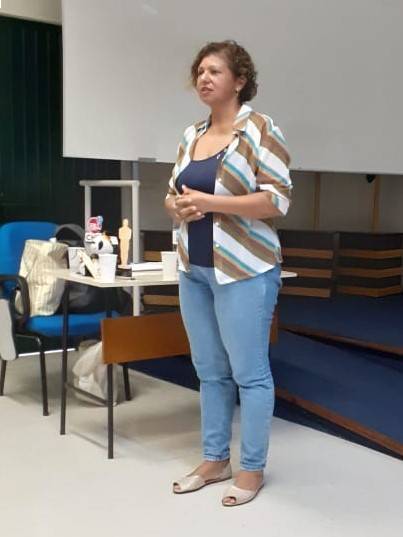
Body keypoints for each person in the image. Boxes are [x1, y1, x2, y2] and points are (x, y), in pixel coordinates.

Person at [164, 40, 292, 507]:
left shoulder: (261, 130)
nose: (204, 77)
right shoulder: (191, 134)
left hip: (245, 270)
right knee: (210, 371)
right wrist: (176, 206)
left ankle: (252, 468)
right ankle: (215, 460)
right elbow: (172, 193)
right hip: (194, 269)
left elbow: (277, 200)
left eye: (214, 70)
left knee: (250, 374)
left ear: (239, 80)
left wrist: (212, 203)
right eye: (200, 71)